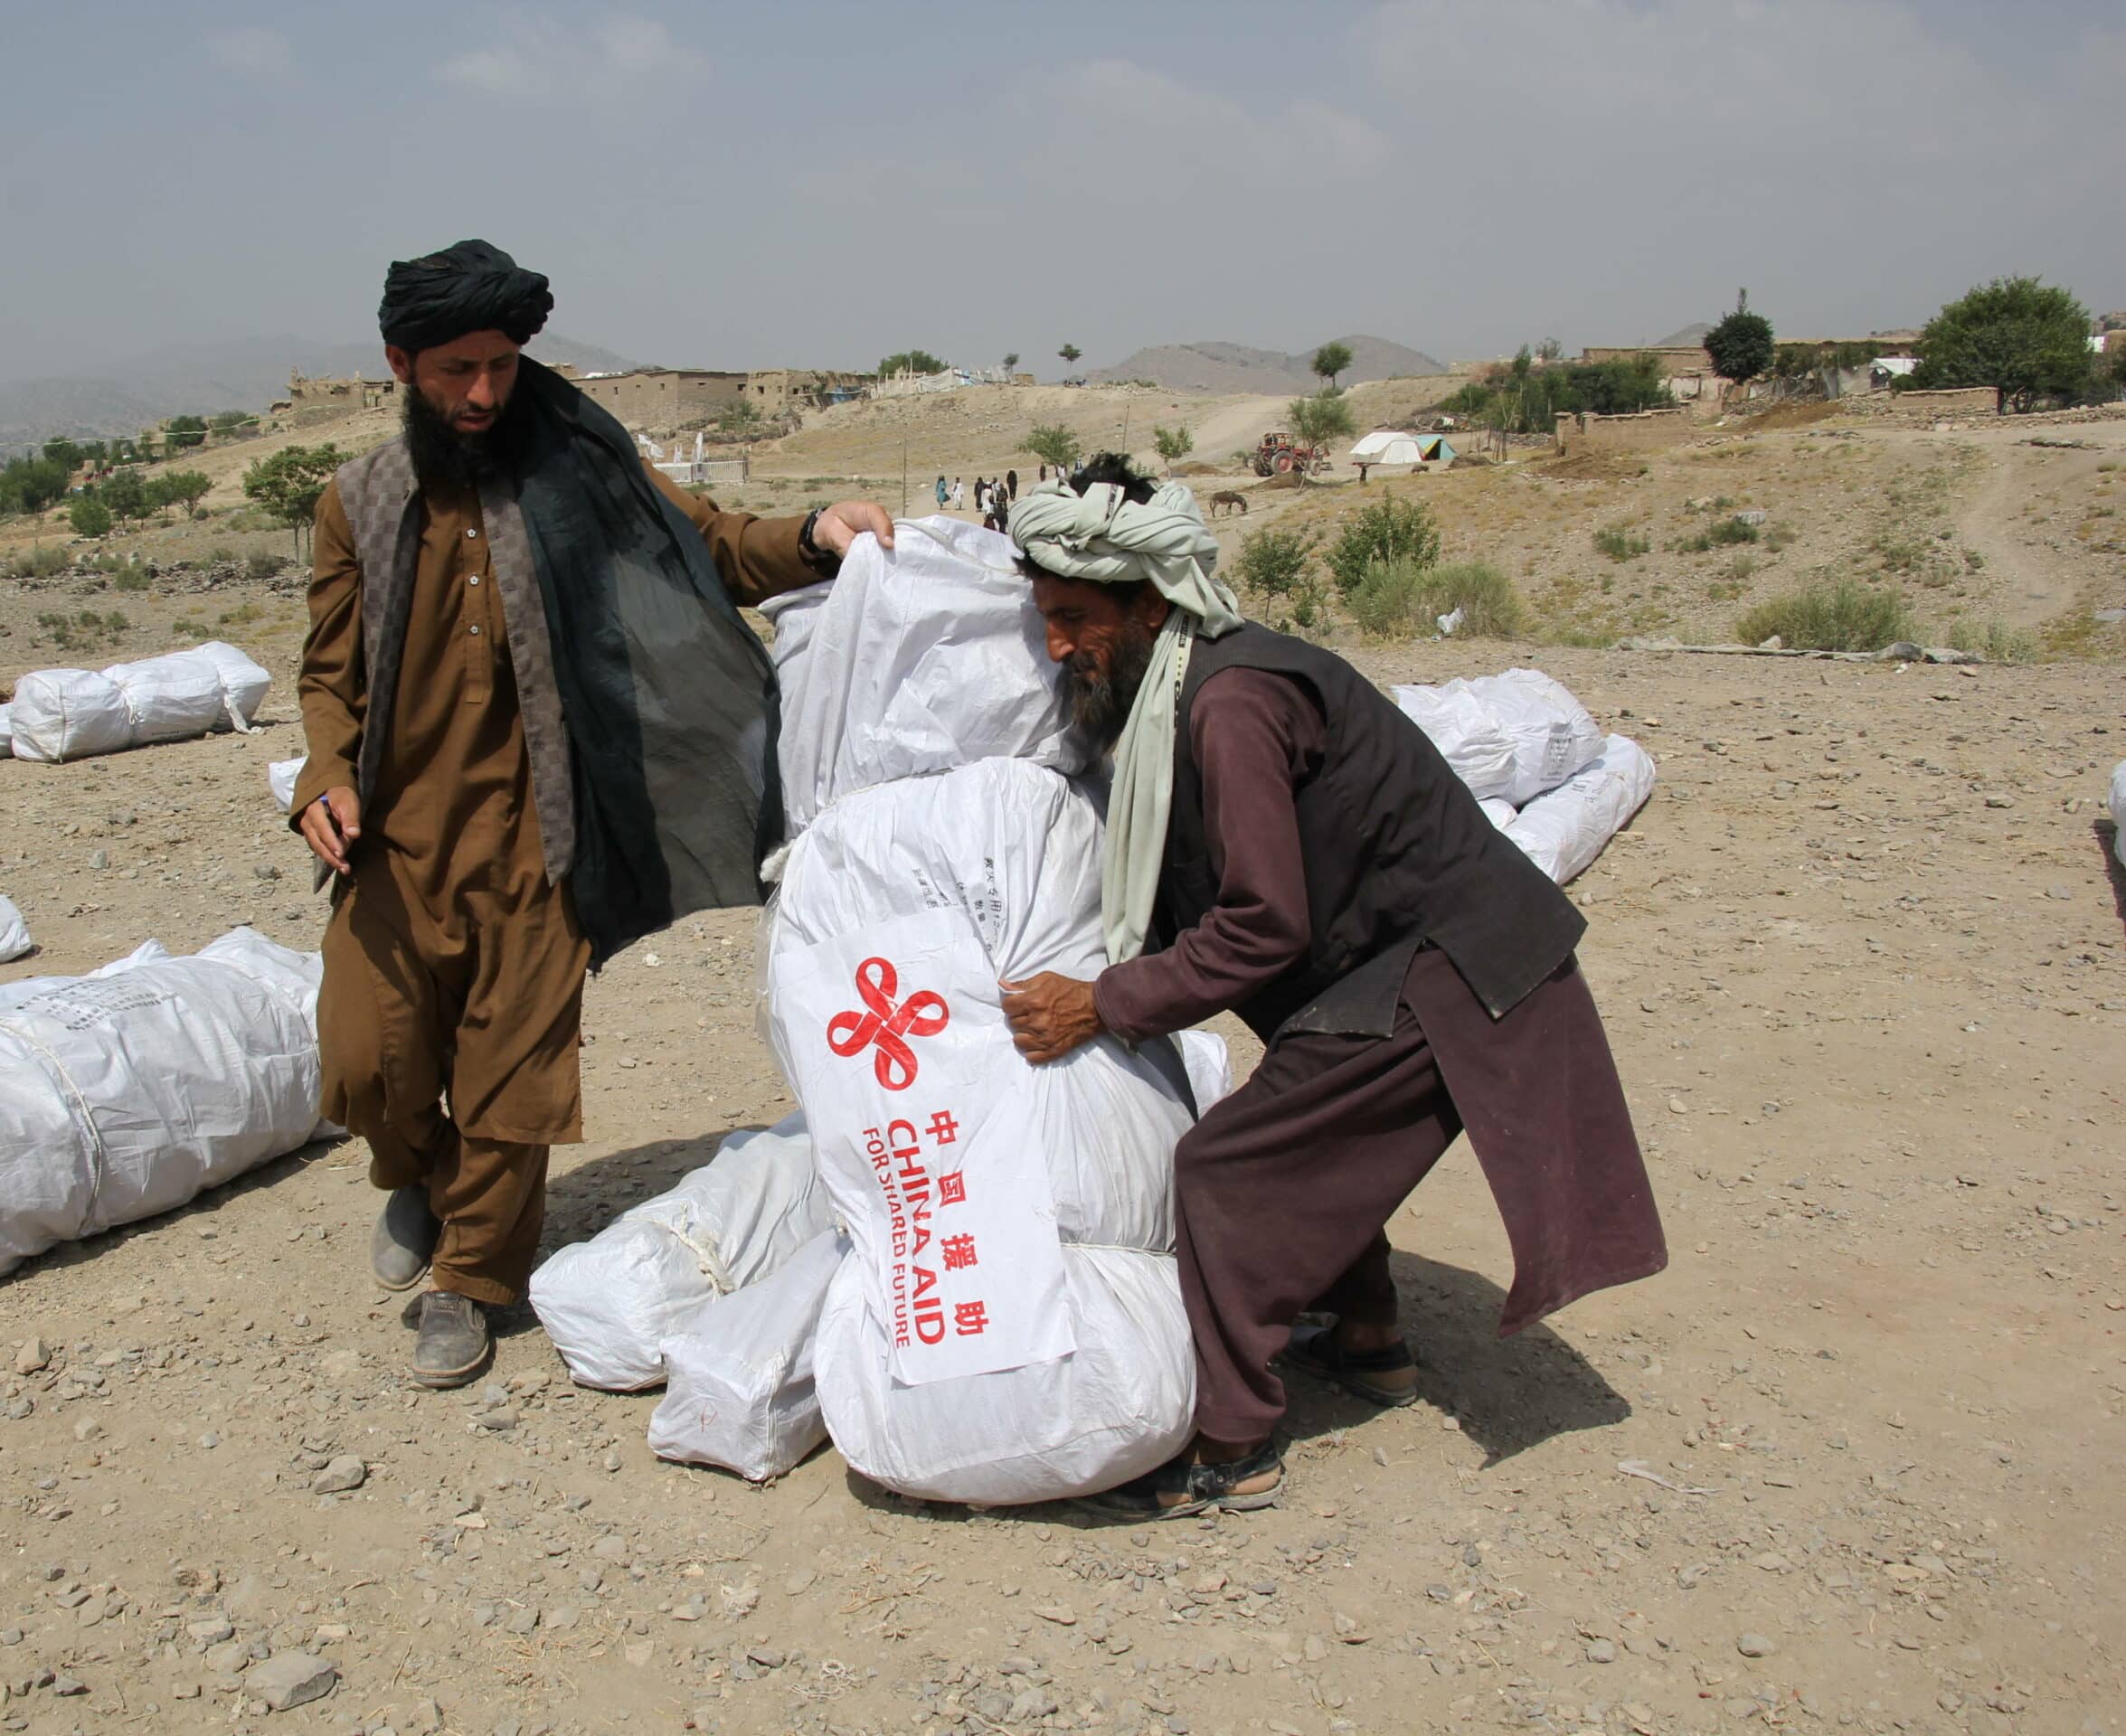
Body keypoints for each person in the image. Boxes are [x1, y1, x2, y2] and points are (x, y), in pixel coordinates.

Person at [999, 454, 1664, 1520]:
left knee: (1227, 1164)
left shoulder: (1228, 705)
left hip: (1452, 968)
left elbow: (1266, 923)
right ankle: (1368, 1338)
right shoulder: (1185, 689)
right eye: (1045, 620)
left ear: (1151, 598)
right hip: (1395, 961)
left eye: (1077, 618)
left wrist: (1103, 1002)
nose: (1059, 646)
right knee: (1310, 1130)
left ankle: (1234, 1442)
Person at [291, 239, 895, 1388]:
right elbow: (330, 676)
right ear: (399, 362)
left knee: (515, 1080)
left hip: (540, 835)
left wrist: (815, 532)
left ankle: (473, 1276)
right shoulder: (357, 503)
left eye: (503, 367)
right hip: (397, 844)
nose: (482, 395)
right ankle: (414, 1171)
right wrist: (326, 772)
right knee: (368, 1064)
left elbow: (709, 547)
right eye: (455, 370)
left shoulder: (581, 474)